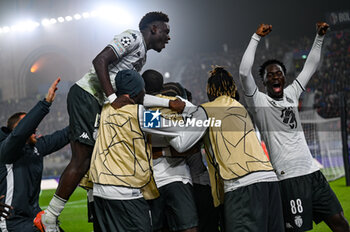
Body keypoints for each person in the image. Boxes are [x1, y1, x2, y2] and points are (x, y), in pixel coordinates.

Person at [35, 11, 185, 232]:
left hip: (98, 102)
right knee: (83, 159)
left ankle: (94, 209)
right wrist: (113, 98)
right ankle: (50, 217)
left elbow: (136, 95)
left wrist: (168, 104)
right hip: (87, 94)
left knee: (97, 156)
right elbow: (100, 60)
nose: (168, 37)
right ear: (153, 28)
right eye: (166, 31)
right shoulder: (133, 37)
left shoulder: (142, 56)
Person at [239, 23, 350, 231]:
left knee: (340, 223)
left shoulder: (291, 94)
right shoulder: (259, 102)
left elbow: (310, 66)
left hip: (313, 173)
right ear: (263, 83)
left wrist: (319, 37)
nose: (275, 77)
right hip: (288, 178)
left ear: (284, 76)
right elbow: (244, 73)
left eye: (278, 73)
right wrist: (255, 37)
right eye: (270, 75)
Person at [89, 70, 205, 232]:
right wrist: (192, 112)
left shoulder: (106, 109)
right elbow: (176, 128)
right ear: (136, 93)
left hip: (100, 191)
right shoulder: (141, 114)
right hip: (125, 191)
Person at [198, 67, 284, 231]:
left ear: (211, 90)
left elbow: (181, 142)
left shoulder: (206, 110)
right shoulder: (240, 108)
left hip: (241, 183)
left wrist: (163, 105)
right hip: (269, 180)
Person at [0, 78, 69, 232]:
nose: (35, 127)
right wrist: (45, 104)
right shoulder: (6, 151)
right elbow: (19, 135)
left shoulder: (36, 147)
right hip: (11, 222)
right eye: (29, 124)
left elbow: (64, 135)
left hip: (32, 217)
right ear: (17, 129)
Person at [145, 80, 199, 232]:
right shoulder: (181, 112)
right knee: (189, 227)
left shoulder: (148, 113)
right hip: (177, 179)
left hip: (155, 182)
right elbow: (190, 147)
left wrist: (162, 152)